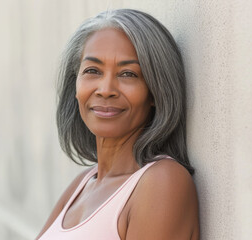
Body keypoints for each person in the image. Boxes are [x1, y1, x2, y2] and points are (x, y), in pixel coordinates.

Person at [36, 9, 199, 240]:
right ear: (76, 84)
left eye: (128, 74)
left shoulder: (162, 182)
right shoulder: (82, 184)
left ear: (155, 92)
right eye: (92, 71)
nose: (105, 90)